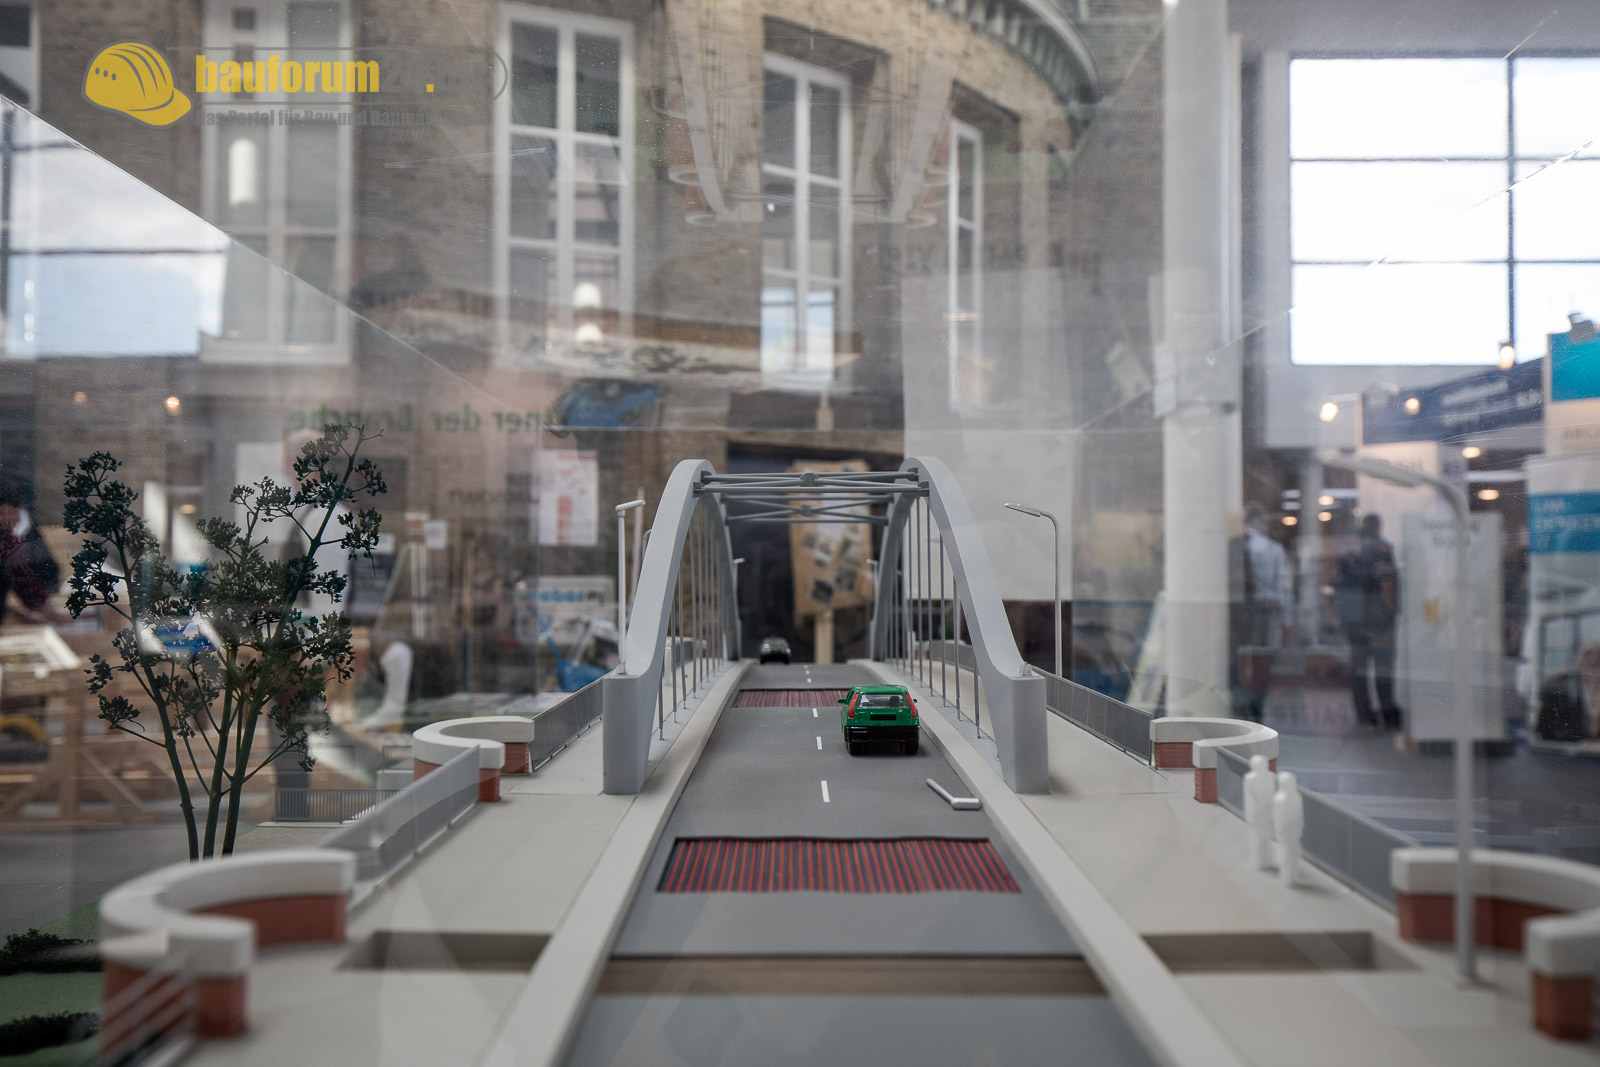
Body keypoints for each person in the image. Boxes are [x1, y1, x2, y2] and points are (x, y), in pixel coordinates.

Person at [1333, 513, 1402, 729]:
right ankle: (1387, 712)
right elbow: (1386, 583)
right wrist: (1392, 611)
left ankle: (1364, 714)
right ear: (1378, 527)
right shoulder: (1382, 548)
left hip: (1353, 621)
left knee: (1359, 668)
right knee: (1383, 667)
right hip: (1378, 620)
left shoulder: (1349, 550)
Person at [1228, 504, 1295, 719]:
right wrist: (1288, 620)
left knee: (1237, 659)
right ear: (1262, 522)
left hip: (1237, 613)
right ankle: (1255, 705)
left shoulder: (1232, 546)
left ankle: (1240, 704)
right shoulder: (1273, 549)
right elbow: (1284, 589)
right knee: (1262, 660)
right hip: (1266, 612)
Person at [0, 486, 61, 626]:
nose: (18, 519)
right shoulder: (8, 542)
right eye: (16, 512)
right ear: (4, 510)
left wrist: (20, 612)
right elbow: (25, 581)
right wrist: (49, 611)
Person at [1534, 641, 1600, 742]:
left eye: (1599, 655)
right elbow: (1547, 727)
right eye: (1588, 654)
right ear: (1577, 657)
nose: (1594, 659)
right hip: (1568, 746)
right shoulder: (1560, 685)